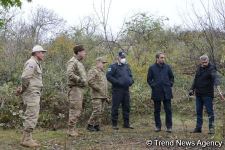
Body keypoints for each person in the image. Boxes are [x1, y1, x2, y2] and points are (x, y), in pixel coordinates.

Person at [16, 45, 47, 147]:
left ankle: (26, 138)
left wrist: (23, 89)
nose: (43, 54)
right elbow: (25, 77)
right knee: (32, 115)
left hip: (34, 93)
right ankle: (27, 140)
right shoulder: (32, 62)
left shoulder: (36, 63)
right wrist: (24, 89)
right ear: (37, 53)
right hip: (32, 93)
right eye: (42, 52)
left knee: (32, 114)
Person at [189, 54, 224, 134]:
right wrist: (191, 89)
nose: (204, 63)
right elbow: (195, 80)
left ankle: (211, 129)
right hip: (198, 94)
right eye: (203, 62)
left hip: (207, 94)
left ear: (208, 61)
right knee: (198, 111)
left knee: (209, 111)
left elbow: (215, 77)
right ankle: (198, 128)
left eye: (206, 62)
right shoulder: (199, 68)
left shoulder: (212, 68)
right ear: (201, 62)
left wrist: (218, 85)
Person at [147, 52, 174, 133]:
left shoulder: (167, 67)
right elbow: (149, 79)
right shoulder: (152, 68)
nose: (163, 59)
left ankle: (169, 127)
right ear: (157, 58)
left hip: (167, 92)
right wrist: (154, 86)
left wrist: (170, 84)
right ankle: (158, 126)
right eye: (161, 57)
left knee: (168, 110)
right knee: (157, 110)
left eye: (163, 57)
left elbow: (172, 77)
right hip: (157, 92)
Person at [106, 51, 134, 130]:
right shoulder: (112, 66)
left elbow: (130, 75)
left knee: (127, 107)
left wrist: (131, 81)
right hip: (117, 90)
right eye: (122, 57)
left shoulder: (126, 66)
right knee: (115, 107)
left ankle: (126, 124)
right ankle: (114, 124)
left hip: (126, 90)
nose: (123, 59)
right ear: (118, 57)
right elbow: (108, 76)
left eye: (124, 57)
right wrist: (117, 82)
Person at [66, 45, 87, 137]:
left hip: (79, 89)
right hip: (74, 89)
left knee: (78, 109)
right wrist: (80, 80)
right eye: (83, 51)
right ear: (78, 52)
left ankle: (73, 129)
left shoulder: (79, 62)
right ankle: (71, 130)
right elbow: (69, 74)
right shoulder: (72, 61)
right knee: (75, 109)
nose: (85, 53)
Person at [87, 57, 109, 132]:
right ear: (98, 62)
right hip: (96, 95)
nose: (103, 65)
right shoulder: (93, 70)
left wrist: (106, 96)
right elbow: (90, 81)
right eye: (102, 63)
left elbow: (104, 85)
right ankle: (89, 125)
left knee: (101, 111)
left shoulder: (102, 72)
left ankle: (96, 125)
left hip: (103, 95)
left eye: (104, 63)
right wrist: (98, 88)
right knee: (96, 111)